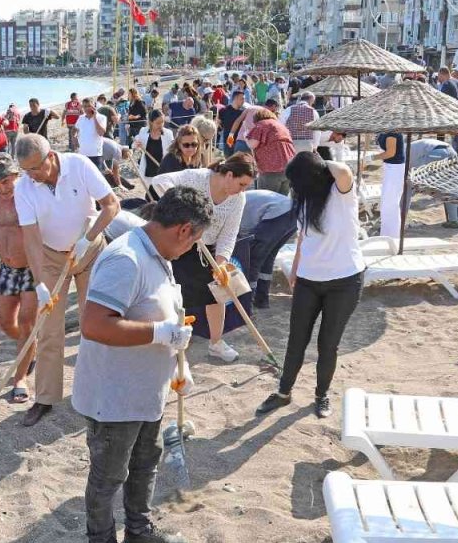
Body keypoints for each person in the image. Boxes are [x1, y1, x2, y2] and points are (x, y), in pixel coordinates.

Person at [73, 187, 211, 543]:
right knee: (109, 472)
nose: (192, 248)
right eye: (196, 239)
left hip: (144, 390)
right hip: (113, 394)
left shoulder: (157, 253)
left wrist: (176, 357)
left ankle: (138, 530)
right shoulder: (127, 258)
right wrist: (161, 334)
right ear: (185, 229)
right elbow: (95, 324)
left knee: (145, 461)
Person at [13, 133, 120, 426]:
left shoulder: (79, 165)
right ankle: (46, 398)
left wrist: (89, 237)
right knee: (48, 330)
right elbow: (31, 239)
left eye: (36, 168)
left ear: (50, 157)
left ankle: (98, 391)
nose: (32, 175)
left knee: (96, 324)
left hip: (91, 252)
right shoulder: (23, 188)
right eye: (27, 170)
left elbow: (112, 205)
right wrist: (39, 283)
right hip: (51, 257)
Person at [257, 153, 365, 419]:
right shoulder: (304, 201)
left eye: (296, 182)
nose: (293, 188)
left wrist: (316, 163)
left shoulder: (342, 193)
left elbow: (342, 171)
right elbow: (303, 238)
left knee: (327, 344)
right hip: (308, 279)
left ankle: (321, 395)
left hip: (344, 280)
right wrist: (295, 270)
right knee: (296, 340)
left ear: (312, 179)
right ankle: (283, 393)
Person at [150, 154, 255, 362]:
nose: (242, 190)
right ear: (230, 175)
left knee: (217, 293)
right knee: (171, 292)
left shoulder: (238, 199)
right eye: (241, 184)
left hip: (206, 248)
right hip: (177, 240)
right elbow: (159, 182)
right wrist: (183, 210)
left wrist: (222, 263)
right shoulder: (197, 178)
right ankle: (170, 339)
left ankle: (216, 343)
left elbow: (229, 234)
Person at [0, 155, 38, 403]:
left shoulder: (30, 193)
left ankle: (20, 378)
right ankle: (30, 348)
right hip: (6, 268)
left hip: (32, 268)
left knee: (26, 323)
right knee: (4, 323)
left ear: (16, 175)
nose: (2, 188)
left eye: (6, 181)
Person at [236, 190, 296, 309]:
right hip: (291, 213)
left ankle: (246, 304)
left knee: (253, 258)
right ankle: (261, 300)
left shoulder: (228, 206)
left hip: (277, 214)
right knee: (267, 257)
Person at [247, 108, 296, 195]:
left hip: (270, 169)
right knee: (282, 200)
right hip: (289, 167)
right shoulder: (280, 125)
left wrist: (246, 137)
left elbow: (252, 144)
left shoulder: (261, 125)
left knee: (266, 199)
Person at [372, 130, 407, 240]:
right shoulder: (384, 130)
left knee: (391, 203)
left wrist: (372, 158)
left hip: (395, 169)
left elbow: (390, 153)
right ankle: (386, 234)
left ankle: (392, 236)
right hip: (389, 167)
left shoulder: (393, 132)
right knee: (386, 203)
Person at [133, 110, 173, 195]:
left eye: (162, 122)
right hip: (149, 168)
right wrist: (137, 144)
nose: (161, 125)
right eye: (158, 123)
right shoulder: (143, 131)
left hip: (163, 168)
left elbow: (173, 150)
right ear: (151, 122)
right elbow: (135, 145)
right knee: (150, 194)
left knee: (163, 193)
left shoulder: (168, 133)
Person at [74, 98, 108, 169]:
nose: (86, 109)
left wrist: (95, 118)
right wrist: (75, 139)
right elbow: (74, 130)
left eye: (88, 106)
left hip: (95, 155)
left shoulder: (101, 117)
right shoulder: (81, 118)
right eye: (84, 106)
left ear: (94, 106)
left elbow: (101, 133)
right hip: (82, 154)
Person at [217, 91, 246, 157]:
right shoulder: (223, 110)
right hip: (227, 142)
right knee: (228, 162)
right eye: (242, 99)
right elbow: (218, 124)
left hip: (240, 143)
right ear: (235, 98)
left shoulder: (243, 112)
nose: (244, 101)